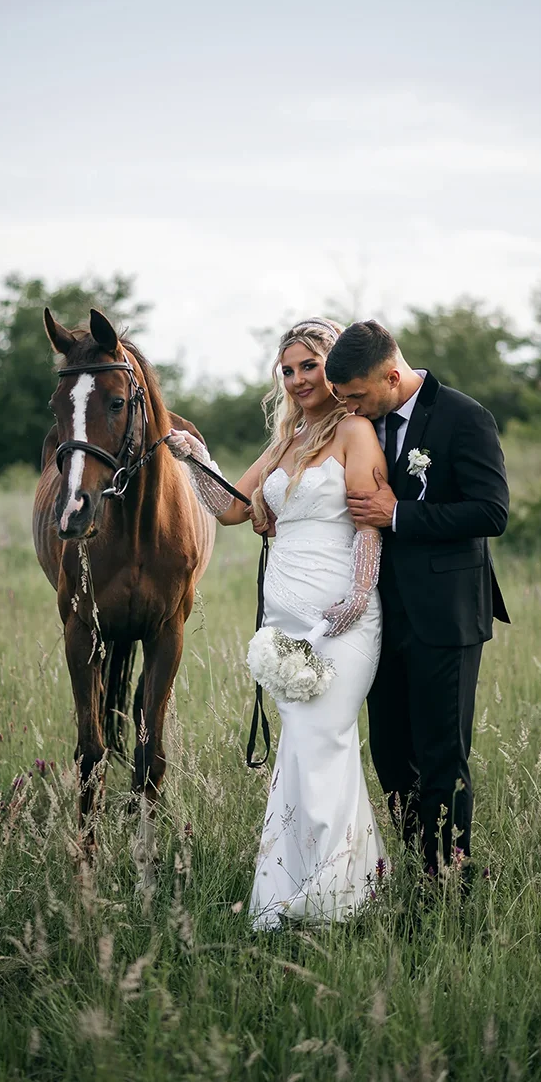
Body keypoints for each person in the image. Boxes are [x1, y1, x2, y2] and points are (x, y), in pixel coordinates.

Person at [166, 319, 388, 929]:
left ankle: (332, 894)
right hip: (285, 621)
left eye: (308, 366)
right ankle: (322, 883)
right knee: (299, 750)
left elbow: (369, 521)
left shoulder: (354, 431)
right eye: (287, 370)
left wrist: (358, 593)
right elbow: (231, 508)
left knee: (324, 740)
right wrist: (196, 459)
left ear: (333, 368)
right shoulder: (287, 442)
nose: (297, 380)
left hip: (341, 616)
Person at [324, 320, 510, 877]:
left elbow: (491, 511)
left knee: (441, 756)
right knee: (389, 754)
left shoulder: (464, 417)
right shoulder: (363, 423)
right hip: (382, 617)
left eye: (356, 395)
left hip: (446, 616)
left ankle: (449, 880)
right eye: (343, 397)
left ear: (391, 376)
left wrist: (400, 513)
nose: (349, 407)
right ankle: (419, 864)